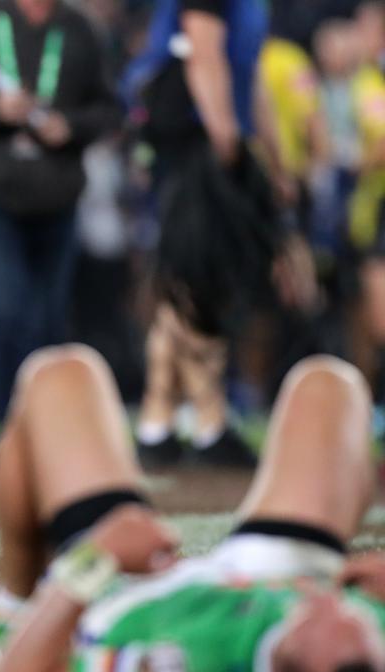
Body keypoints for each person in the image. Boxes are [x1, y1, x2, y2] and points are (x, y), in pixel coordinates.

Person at [0, 343, 385, 672]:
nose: (334, 602)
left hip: (133, 594)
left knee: (58, 376)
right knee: (330, 386)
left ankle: (22, 615)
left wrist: (99, 554)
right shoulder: (352, 653)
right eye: (354, 617)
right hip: (264, 580)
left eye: (318, 619)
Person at [0, 0, 121, 425]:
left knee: (49, 319)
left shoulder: (81, 29)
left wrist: (71, 126)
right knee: (8, 310)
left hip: (59, 195)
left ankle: (46, 423)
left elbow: (110, 109)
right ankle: (7, 419)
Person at [125, 0, 272, 468]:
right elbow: (203, 54)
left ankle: (159, 420)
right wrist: (228, 145)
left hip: (206, 135)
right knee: (194, 285)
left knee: (189, 288)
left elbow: (249, 73)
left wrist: (268, 152)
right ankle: (205, 421)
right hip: (195, 138)